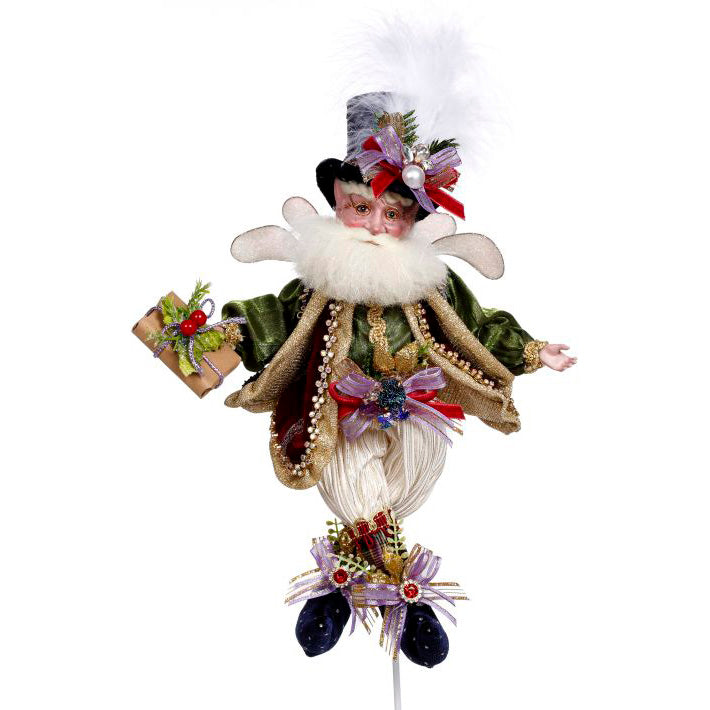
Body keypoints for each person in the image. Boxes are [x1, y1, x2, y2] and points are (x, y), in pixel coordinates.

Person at [222, 92, 576, 667]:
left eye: (392, 215)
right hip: (341, 411)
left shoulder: (429, 283)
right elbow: (272, 319)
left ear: (414, 220)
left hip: (421, 407)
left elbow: (478, 325)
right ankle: (403, 600)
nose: (374, 226)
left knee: (410, 483)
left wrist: (532, 351)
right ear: (337, 202)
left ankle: (345, 581)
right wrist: (227, 333)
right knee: (356, 492)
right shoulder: (319, 282)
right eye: (359, 208)